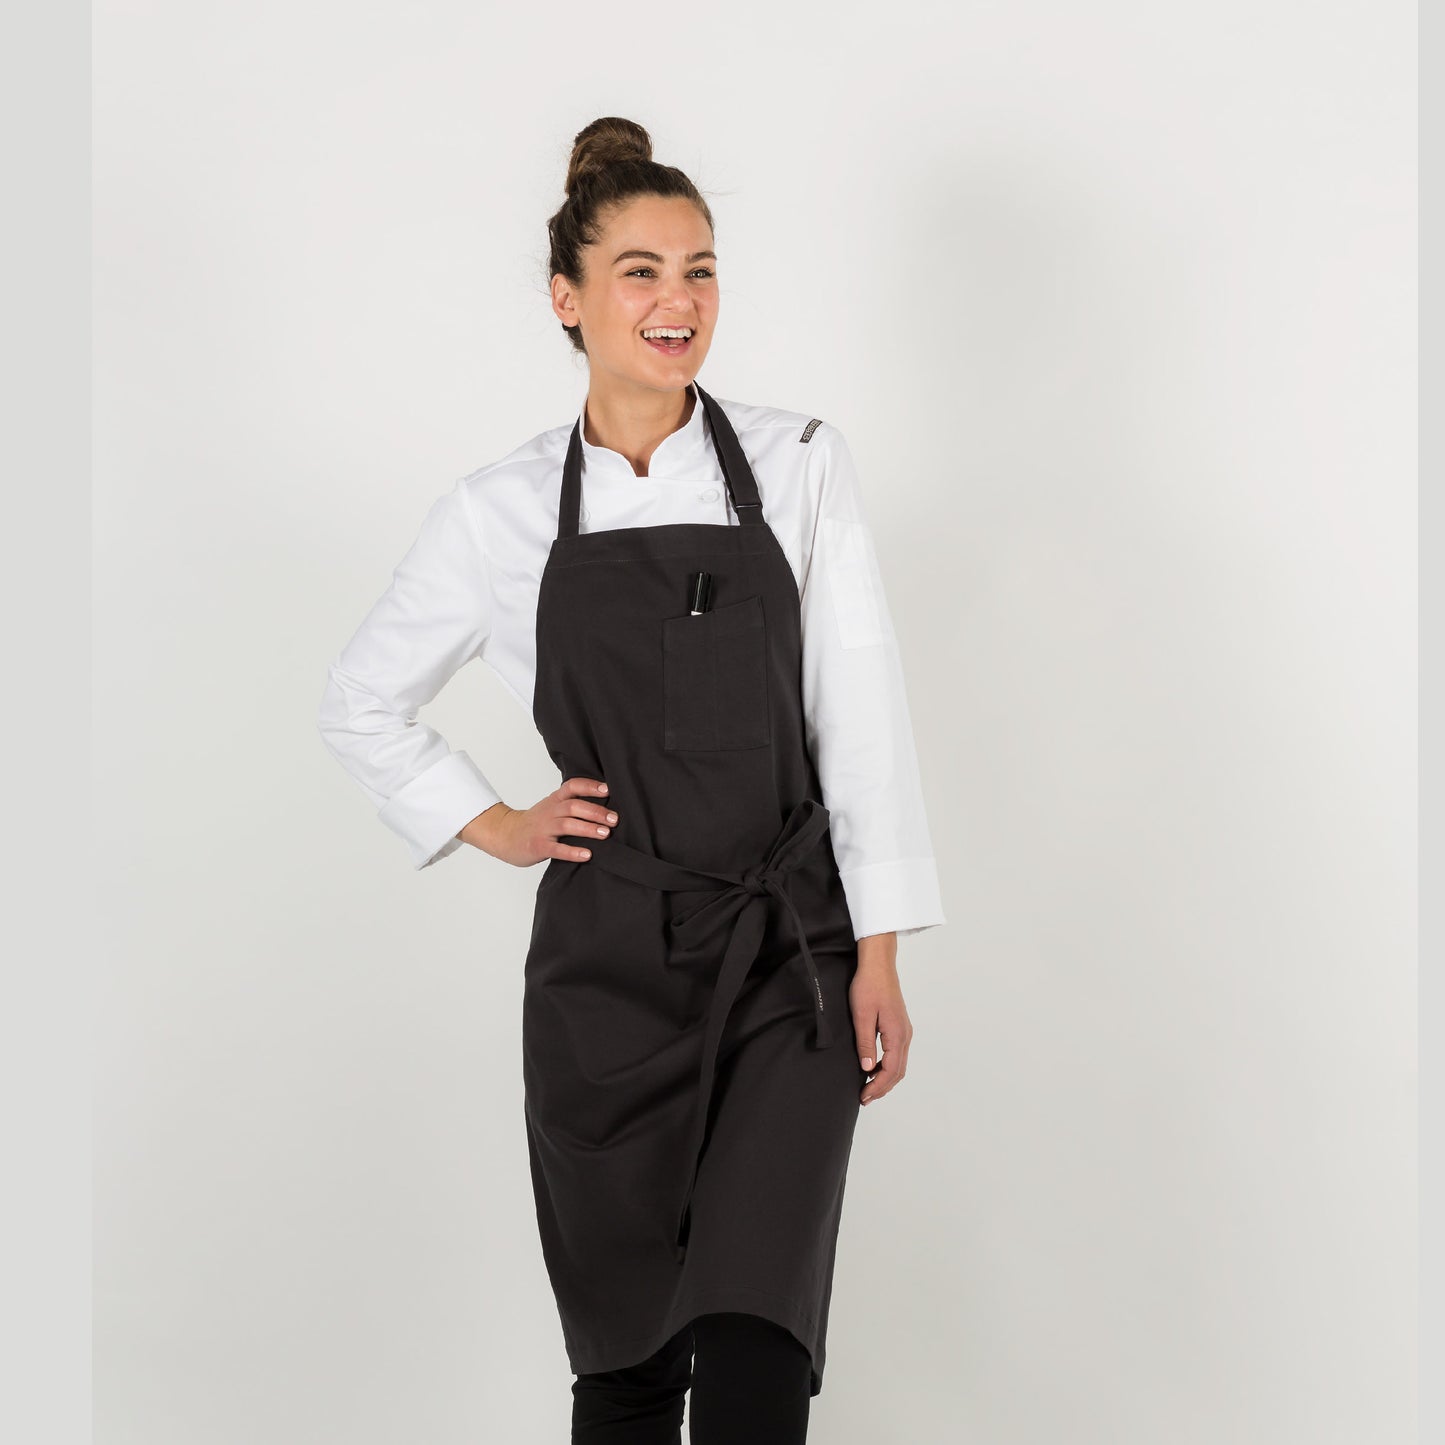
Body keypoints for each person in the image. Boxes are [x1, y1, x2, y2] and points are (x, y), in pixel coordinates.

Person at [317, 116, 945, 1444]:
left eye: (700, 270)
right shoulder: (495, 513)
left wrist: (879, 949)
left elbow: (862, 713)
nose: (679, 302)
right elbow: (362, 700)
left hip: (786, 956)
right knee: (627, 1356)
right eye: (641, 271)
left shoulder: (799, 463)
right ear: (568, 297)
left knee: (758, 1330)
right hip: (607, 976)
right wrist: (496, 823)